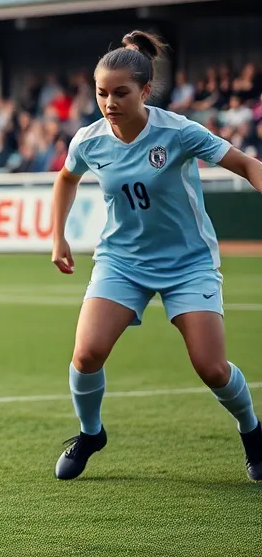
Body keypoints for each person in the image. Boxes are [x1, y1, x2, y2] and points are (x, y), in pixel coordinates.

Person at [51, 31, 262, 482]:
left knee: (211, 367)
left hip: (189, 263)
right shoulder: (88, 141)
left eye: (121, 92)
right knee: (86, 355)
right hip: (121, 261)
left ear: (145, 91)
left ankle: (252, 430)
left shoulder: (179, 132)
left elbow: (246, 164)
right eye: (102, 92)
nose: (109, 101)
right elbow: (66, 180)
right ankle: (91, 433)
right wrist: (59, 237)